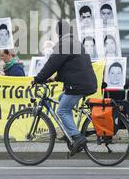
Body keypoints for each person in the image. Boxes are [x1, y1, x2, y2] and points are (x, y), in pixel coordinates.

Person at [34, 20, 97, 156]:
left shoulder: (65, 44)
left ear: (58, 33)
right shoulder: (74, 42)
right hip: (84, 82)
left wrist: (38, 79)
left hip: (78, 85)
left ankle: (77, 137)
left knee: (62, 110)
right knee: (62, 98)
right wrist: (54, 79)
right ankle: (70, 132)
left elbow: (52, 63)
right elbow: (70, 66)